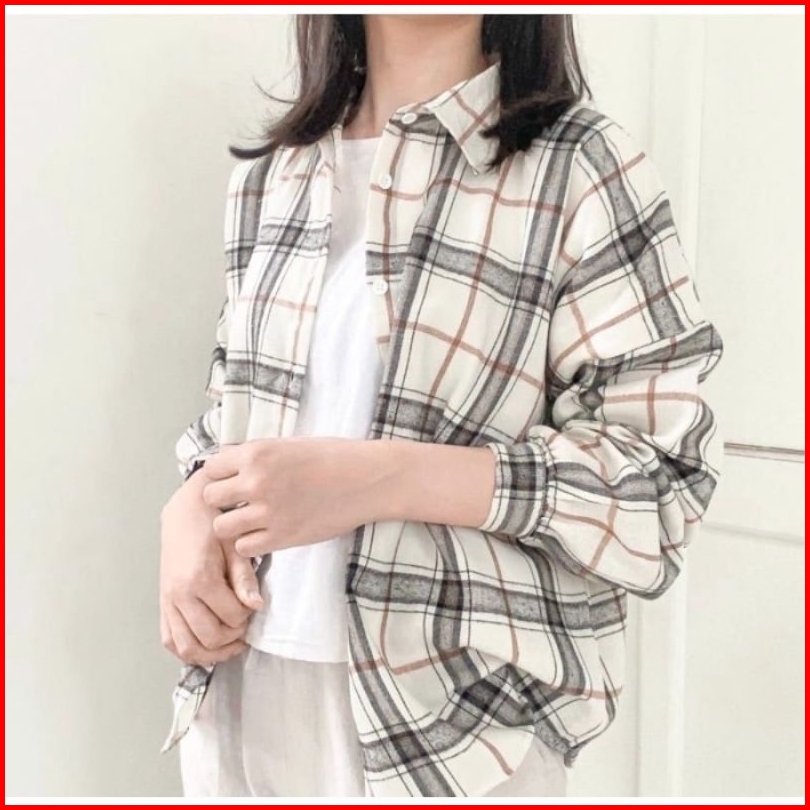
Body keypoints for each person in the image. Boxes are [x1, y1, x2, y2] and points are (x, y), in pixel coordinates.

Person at [159, 13, 724, 798]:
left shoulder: (582, 168)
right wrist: (190, 505)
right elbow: (233, 408)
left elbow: (660, 485)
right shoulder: (273, 176)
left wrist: (383, 479)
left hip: (459, 732)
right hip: (242, 695)